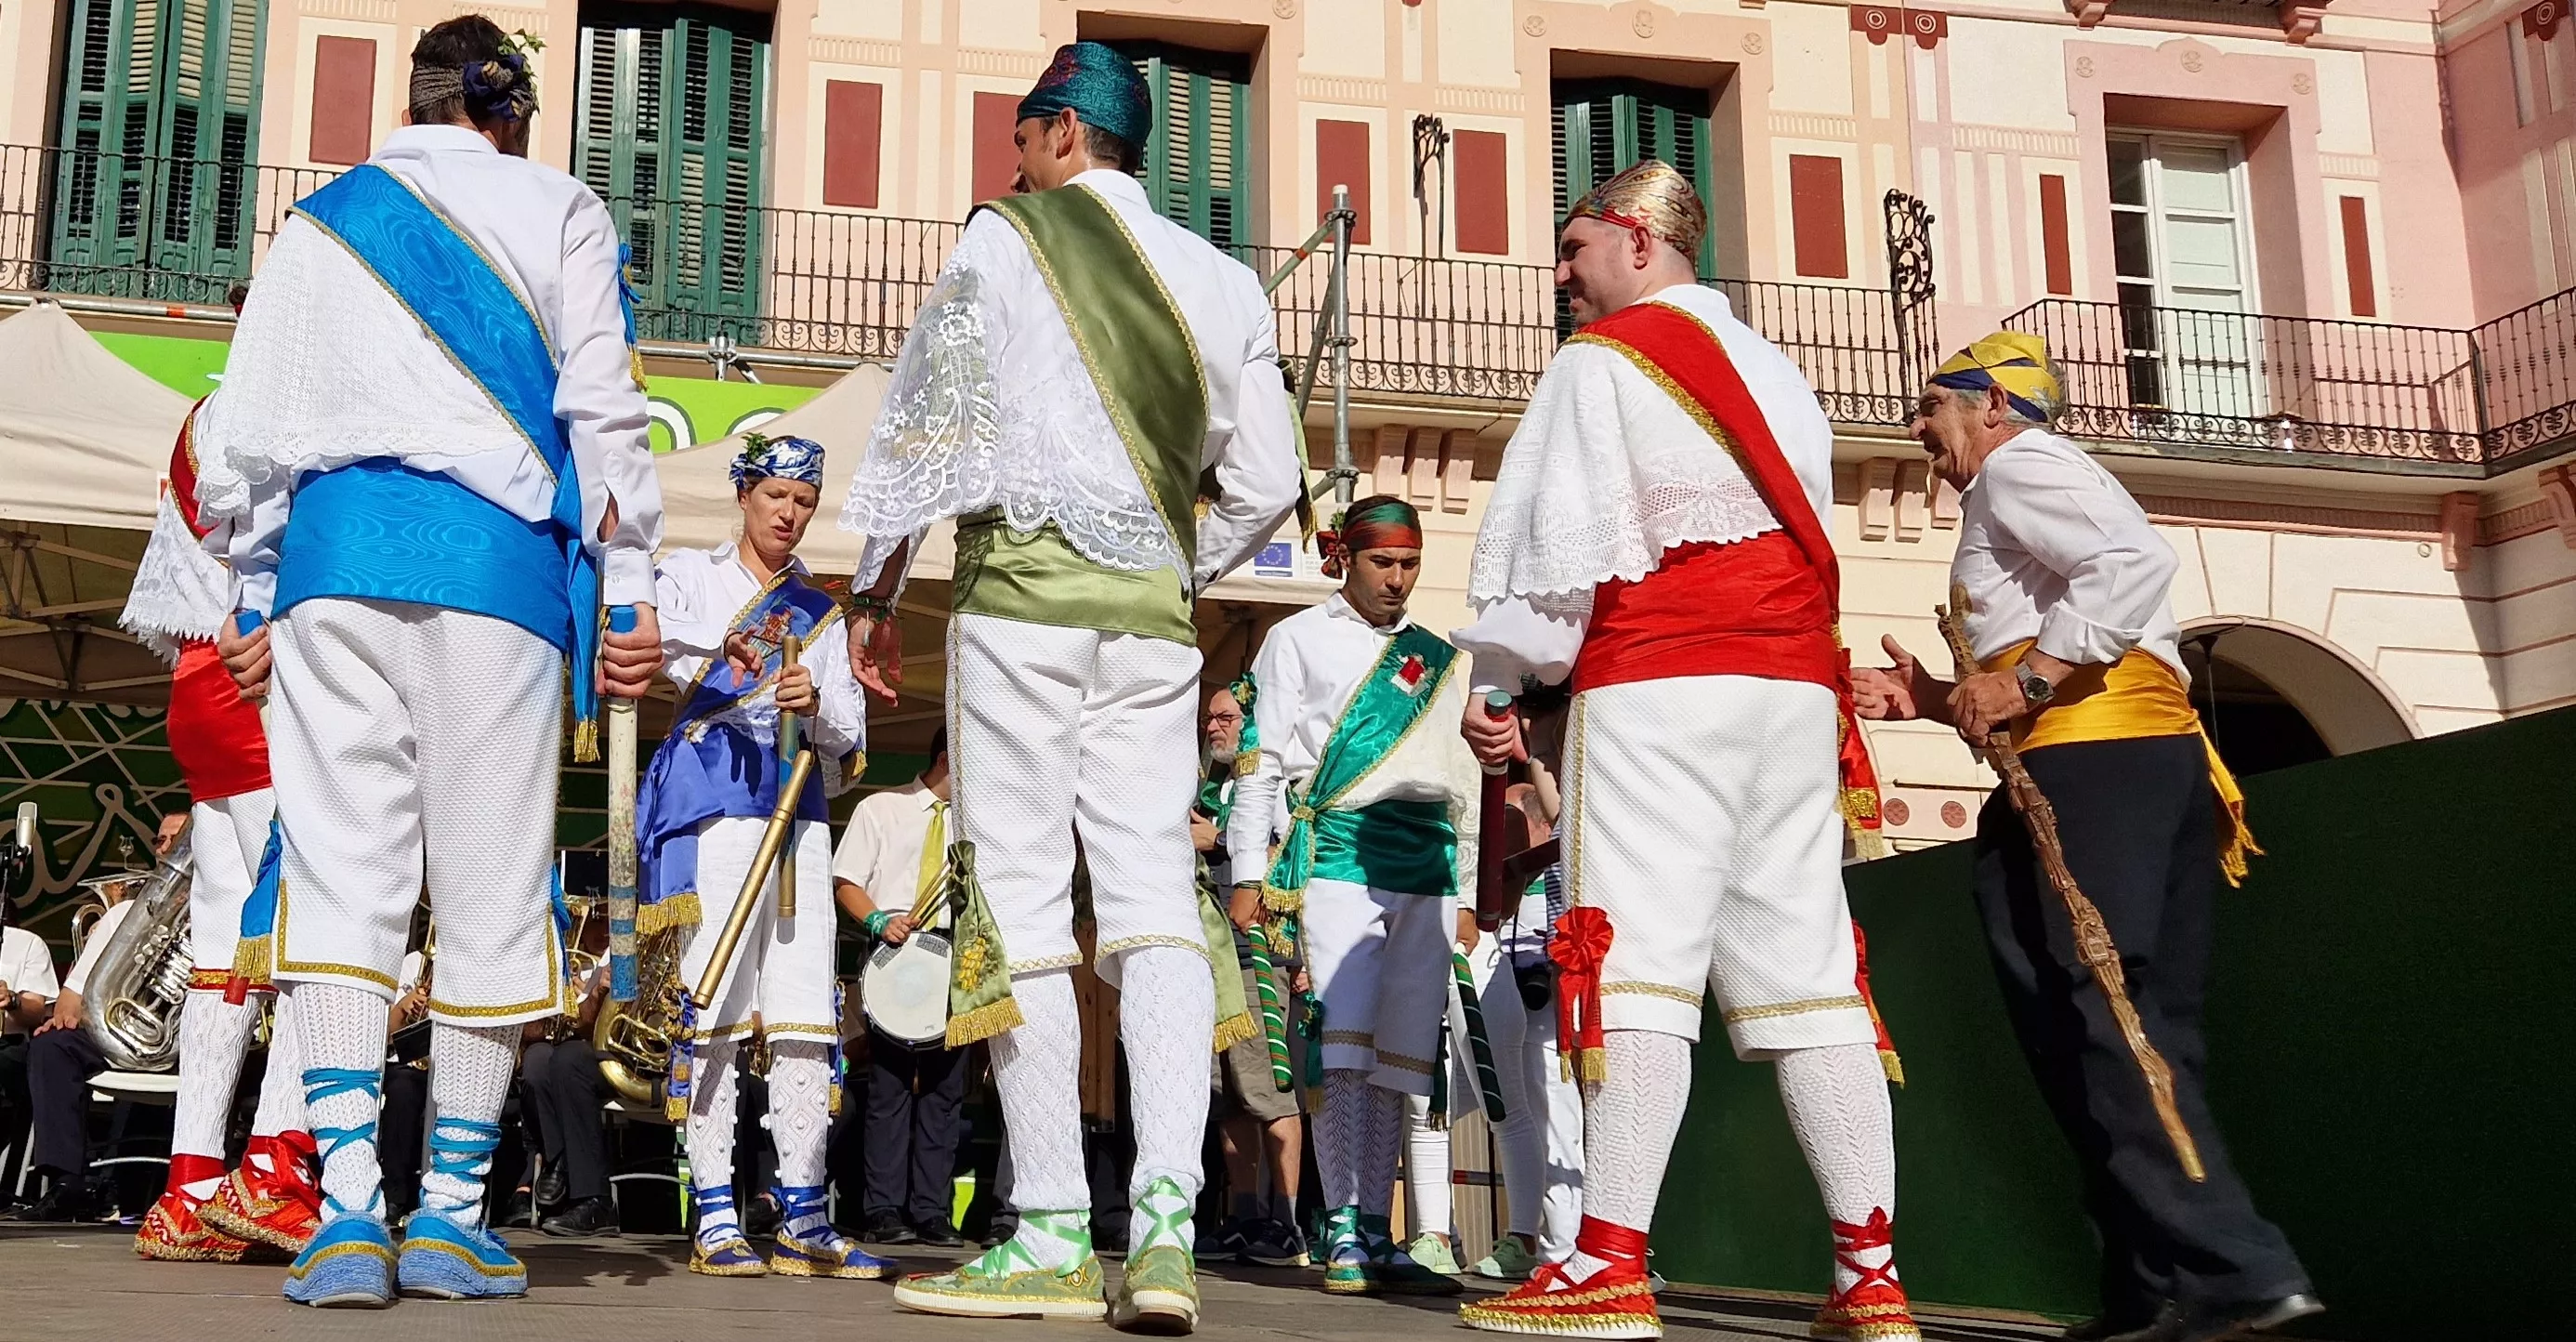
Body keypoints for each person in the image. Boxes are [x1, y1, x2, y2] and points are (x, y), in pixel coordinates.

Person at [197, 15, 667, 1308]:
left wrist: (247, 601)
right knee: (490, 891)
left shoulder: (316, 225)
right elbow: (603, 412)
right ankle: (452, 1215)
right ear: (511, 109)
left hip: (329, 570)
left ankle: (348, 1212)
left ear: (408, 102)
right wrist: (629, 594)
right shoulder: (557, 204)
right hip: (494, 578)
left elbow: (246, 436)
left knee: (341, 884)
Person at [836, 38, 1301, 1333]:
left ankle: (1044, 1227)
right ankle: (1162, 1233)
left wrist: (876, 595)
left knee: (1024, 904)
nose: (1013, 162)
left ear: (1056, 135)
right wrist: (1169, 564)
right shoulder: (1226, 283)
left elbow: (930, 427)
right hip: (1151, 624)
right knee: (1154, 903)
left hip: (1019, 612)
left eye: (1021, 138)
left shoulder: (1009, 241)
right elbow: (1266, 486)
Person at [1452, 160, 1915, 1342]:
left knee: (1637, 967)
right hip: (1795, 700)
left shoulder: (1600, 363)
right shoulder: (1782, 373)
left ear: (1640, 244)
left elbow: (1553, 568)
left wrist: (1502, 683)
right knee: (1811, 978)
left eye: (1574, 247)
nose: (1560, 273)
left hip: (1662, 690)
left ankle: (1607, 1260)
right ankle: (1871, 1277)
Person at [1852, 334, 2321, 1342]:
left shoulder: (2022, 465)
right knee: (2115, 1018)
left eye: (1933, 405)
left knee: (2107, 1013)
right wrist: (1939, 698)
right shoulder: (2018, 484)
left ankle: (2237, 1268)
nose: (1918, 426)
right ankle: (2155, 1283)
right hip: (2113, 766)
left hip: (2096, 776)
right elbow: (2062, 645)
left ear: (1991, 406)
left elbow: (2131, 565)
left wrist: (2019, 683)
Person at [637, 432, 879, 1280]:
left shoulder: (822, 609)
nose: (791, 513)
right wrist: (725, 658)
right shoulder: (693, 578)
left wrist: (817, 703)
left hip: (800, 815)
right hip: (717, 808)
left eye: (805, 502)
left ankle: (804, 1209)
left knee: (806, 1011)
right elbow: (656, 653)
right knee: (720, 1005)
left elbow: (852, 739)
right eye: (778, 496)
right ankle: (712, 1207)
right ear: (746, 494)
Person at [1227, 496, 1480, 1298]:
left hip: (1429, 861)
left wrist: (1468, 883)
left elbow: (1464, 775)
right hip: (1337, 850)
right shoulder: (1293, 638)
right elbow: (1260, 757)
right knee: (1344, 1048)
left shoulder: (1439, 657)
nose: (1398, 579)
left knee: (1403, 1059)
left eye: (1410, 564)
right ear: (1346, 558)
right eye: (1383, 563)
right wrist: (1246, 869)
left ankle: (1381, 1223)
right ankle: (1340, 1221)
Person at [118, 339, 322, 1262]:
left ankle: (190, 1185)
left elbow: (190, 581)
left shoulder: (205, 420)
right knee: (318, 940)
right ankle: (275, 1175)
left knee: (221, 953)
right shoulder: (293, 422)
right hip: (264, 687)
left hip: (203, 687)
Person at [831, 729, 970, 1249]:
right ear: (943, 761)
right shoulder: (881, 809)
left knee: (944, 1092)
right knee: (888, 1089)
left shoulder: (974, 825)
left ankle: (932, 1210)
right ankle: (884, 1208)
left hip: (951, 960)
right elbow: (847, 881)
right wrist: (877, 924)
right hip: (893, 959)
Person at [1194, 678, 1308, 1270]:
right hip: (1211, 954)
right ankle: (1242, 1217)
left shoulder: (1272, 786)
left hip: (1259, 953)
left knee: (1269, 1089)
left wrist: (1217, 844)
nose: (1214, 726)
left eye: (1225, 718)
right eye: (1210, 718)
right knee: (1229, 1095)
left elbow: (1293, 854)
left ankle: (1287, 1224)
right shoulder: (1210, 787)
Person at [13, 867, 140, 1221]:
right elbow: (70, 999)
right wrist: (66, 1019)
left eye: (179, 841)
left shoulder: (224, 909)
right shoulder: (123, 915)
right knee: (51, 1046)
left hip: (190, 1037)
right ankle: (67, 1183)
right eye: (162, 841)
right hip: (117, 1034)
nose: (167, 848)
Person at [523, 907, 620, 1238]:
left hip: (621, 1055)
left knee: (569, 1058)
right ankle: (559, 1161)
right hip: (579, 1053)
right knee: (536, 1061)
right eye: (597, 918)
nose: (604, 926)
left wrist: (597, 994)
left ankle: (595, 1198)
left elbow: (590, 1028)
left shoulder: (623, 951)